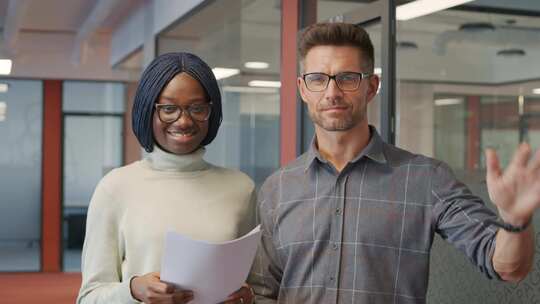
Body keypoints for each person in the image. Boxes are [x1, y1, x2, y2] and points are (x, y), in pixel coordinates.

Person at [248, 22, 540, 304]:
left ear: (372, 87)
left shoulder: (426, 178)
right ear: (302, 89)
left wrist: (514, 222)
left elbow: (507, 266)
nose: (332, 92)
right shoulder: (278, 188)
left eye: (348, 78)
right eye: (317, 79)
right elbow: (263, 291)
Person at [77, 52, 256, 304]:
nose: (183, 121)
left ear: (211, 111)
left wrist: (248, 298)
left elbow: (256, 286)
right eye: (168, 109)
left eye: (197, 108)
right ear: (147, 111)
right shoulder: (115, 187)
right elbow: (88, 298)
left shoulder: (241, 188)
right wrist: (133, 290)